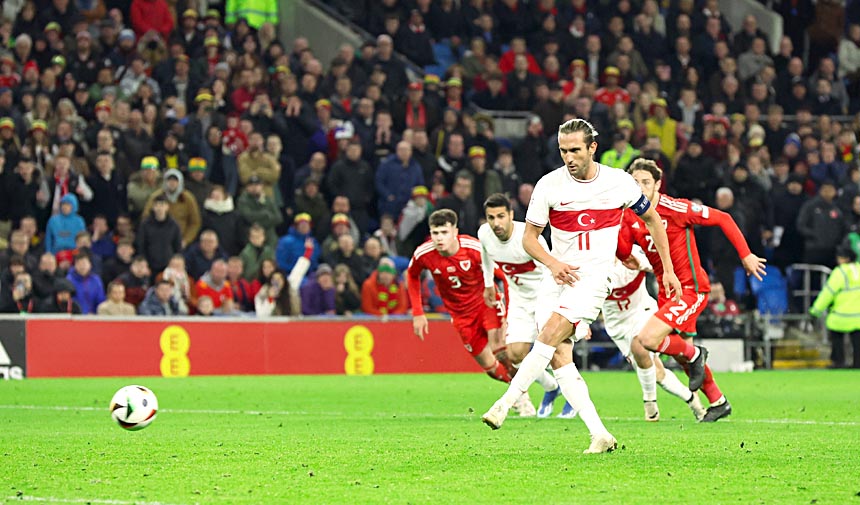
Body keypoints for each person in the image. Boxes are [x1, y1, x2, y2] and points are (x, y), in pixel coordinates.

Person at [481, 118, 680, 455]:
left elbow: (654, 220)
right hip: (555, 276)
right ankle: (599, 434)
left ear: (592, 148)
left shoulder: (619, 183)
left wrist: (669, 271)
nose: (569, 157)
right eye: (563, 150)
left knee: (548, 335)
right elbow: (529, 239)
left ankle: (504, 403)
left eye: (575, 150)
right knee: (559, 356)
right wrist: (553, 264)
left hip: (592, 280)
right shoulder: (549, 186)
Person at [620, 159, 767, 422]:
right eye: (634, 182)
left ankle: (696, 353)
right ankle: (718, 402)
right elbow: (621, 251)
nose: (639, 187)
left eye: (645, 182)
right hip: (667, 293)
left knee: (648, 341)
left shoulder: (674, 208)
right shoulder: (629, 217)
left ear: (657, 185)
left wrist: (746, 255)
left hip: (691, 288)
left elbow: (724, 217)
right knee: (683, 355)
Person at [406, 209, 534, 413]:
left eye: (444, 232)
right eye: (435, 233)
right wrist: (418, 312)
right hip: (460, 316)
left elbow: (504, 276)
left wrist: (510, 311)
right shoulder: (424, 253)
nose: (439, 238)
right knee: (490, 367)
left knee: (501, 351)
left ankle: (522, 397)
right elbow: (412, 275)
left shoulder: (473, 249)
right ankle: (518, 389)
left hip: (487, 305)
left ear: (455, 231)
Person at [478, 193, 563, 417]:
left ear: (511, 215)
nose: (496, 223)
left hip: (544, 297)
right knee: (514, 354)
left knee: (556, 352)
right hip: (518, 300)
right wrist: (488, 284)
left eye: (500, 216)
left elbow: (550, 270)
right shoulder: (484, 234)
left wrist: (558, 305)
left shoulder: (529, 239)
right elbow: (485, 256)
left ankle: (573, 398)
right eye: (491, 217)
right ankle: (552, 387)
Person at [600, 247, 707, 421]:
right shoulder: (594, 263)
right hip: (617, 326)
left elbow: (660, 267)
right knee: (657, 373)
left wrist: (642, 263)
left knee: (639, 345)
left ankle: (650, 404)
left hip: (642, 312)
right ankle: (691, 398)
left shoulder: (633, 253)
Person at [810, 246, 860, 368]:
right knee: (857, 342)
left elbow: (828, 293)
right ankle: (857, 363)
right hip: (858, 317)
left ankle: (839, 362)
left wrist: (815, 311)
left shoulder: (840, 272)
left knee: (837, 339)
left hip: (841, 316)